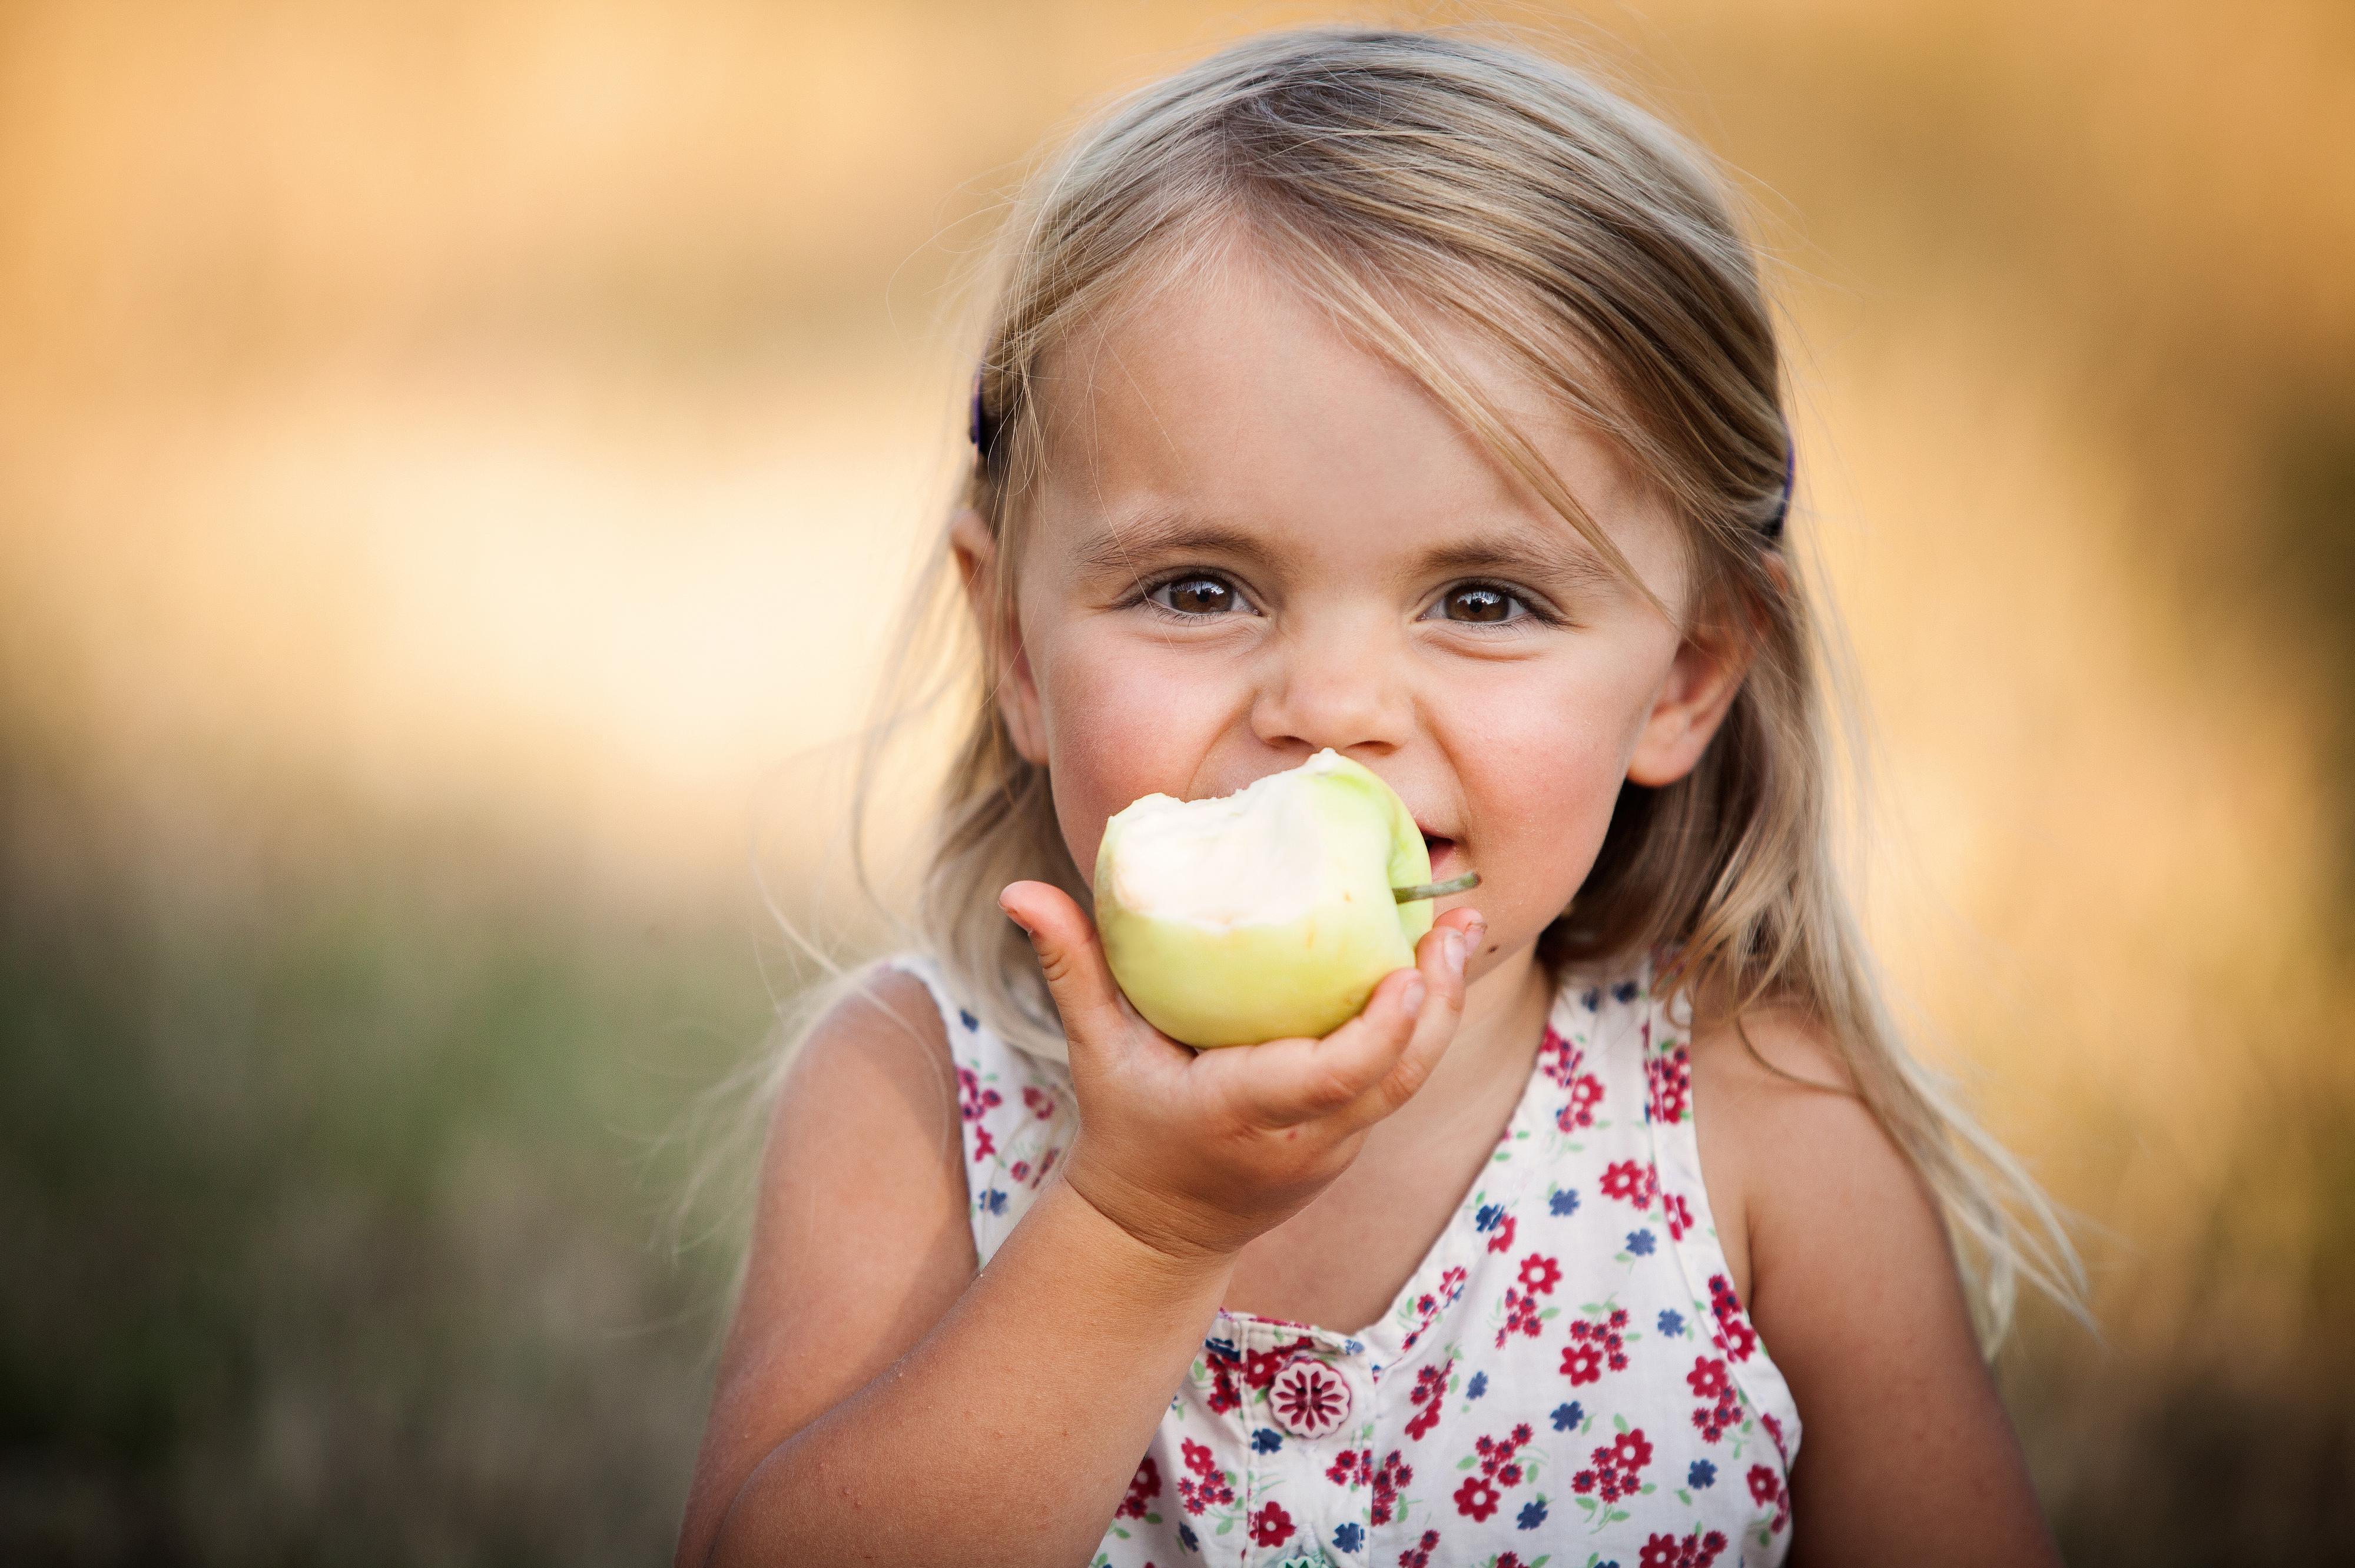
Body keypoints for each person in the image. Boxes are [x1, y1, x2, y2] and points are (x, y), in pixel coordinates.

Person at [675, 26, 2081, 1568]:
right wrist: (1146, 1230)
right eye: (1200, 588)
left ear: (1684, 678)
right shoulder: (920, 1102)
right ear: (1014, 641)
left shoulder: (1765, 1138)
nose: (1332, 714)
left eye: (1483, 602)